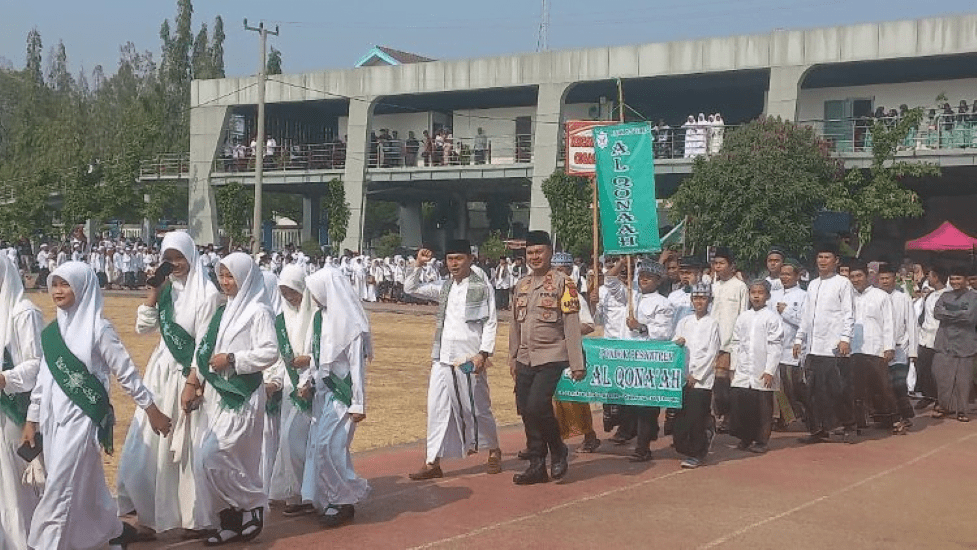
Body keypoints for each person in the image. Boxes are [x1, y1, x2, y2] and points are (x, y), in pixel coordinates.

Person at [23, 262, 172, 549]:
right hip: (53, 418)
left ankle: (41, 544)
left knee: (59, 488)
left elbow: (125, 371)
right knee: (82, 482)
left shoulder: (99, 328)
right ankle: (111, 531)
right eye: (55, 284)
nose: (58, 291)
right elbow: (44, 377)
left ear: (83, 287)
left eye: (65, 284)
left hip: (84, 418)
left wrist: (151, 409)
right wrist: (32, 419)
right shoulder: (54, 331)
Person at [116, 231, 223, 538]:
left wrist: (193, 381)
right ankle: (149, 518)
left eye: (179, 258)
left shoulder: (207, 295)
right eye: (169, 259)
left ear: (191, 256)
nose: (175, 264)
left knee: (184, 450)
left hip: (186, 377)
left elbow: (204, 343)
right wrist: (154, 290)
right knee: (145, 448)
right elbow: (143, 327)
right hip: (158, 375)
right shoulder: (165, 291)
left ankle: (194, 518)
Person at [182, 253, 279, 546]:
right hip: (215, 395)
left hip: (242, 394)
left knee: (216, 455)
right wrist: (192, 382)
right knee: (207, 460)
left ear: (245, 277)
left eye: (230, 276)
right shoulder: (223, 311)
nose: (225, 282)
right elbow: (204, 347)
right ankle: (230, 519)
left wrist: (235, 359)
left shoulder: (259, 311)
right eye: (221, 276)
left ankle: (252, 502)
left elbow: (269, 351)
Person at [405, 240, 502, 479]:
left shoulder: (482, 287)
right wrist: (418, 264)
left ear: (470, 258)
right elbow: (410, 288)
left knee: (477, 407)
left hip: (470, 356)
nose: (454, 263)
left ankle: (494, 449)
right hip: (442, 357)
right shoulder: (445, 287)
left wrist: (483, 353)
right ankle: (432, 462)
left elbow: (490, 321)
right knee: (436, 408)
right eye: (450, 259)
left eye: (459, 258)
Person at [509, 231, 584, 485]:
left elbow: (572, 324)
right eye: (530, 253)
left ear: (550, 252)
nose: (534, 257)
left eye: (539, 252)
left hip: (552, 354)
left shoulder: (564, 283)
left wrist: (577, 362)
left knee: (538, 406)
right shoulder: (522, 285)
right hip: (525, 356)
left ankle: (558, 449)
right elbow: (514, 325)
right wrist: (512, 358)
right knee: (526, 410)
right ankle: (537, 464)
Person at [300, 266, 371, 528]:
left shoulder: (351, 323)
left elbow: (357, 368)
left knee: (329, 447)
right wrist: (304, 380)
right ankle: (336, 498)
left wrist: (358, 403)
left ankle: (342, 497)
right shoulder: (319, 318)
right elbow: (314, 355)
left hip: (343, 396)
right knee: (322, 448)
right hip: (322, 394)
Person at [793, 242, 856, 444]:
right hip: (813, 347)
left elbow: (849, 314)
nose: (822, 261)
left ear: (836, 261)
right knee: (811, 391)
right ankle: (818, 429)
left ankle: (849, 426)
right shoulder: (812, 284)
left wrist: (845, 338)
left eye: (827, 257)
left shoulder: (842, 283)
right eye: (820, 257)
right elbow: (806, 315)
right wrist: (799, 339)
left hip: (833, 346)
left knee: (837, 389)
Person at [0, 255, 44, 550]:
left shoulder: (23, 312)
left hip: (15, 411)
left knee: (18, 484)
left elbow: (38, 365)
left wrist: (5, 379)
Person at [268, 264, 317, 517]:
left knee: (302, 441)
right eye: (284, 292)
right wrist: (274, 381)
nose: (290, 297)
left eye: (294, 291)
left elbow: (323, 352)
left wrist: (308, 362)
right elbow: (279, 358)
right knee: (288, 442)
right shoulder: (280, 320)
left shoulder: (316, 315)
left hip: (313, 388)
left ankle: (310, 492)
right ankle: (294, 492)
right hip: (290, 388)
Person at [622, 259, 675, 462]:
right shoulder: (632, 298)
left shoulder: (663, 303)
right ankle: (643, 436)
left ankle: (643, 447)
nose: (644, 280)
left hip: (649, 360)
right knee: (632, 404)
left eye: (649, 277)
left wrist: (641, 327)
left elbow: (664, 332)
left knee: (646, 404)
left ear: (658, 280)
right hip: (630, 358)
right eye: (641, 276)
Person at [551, 252, 601, 454]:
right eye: (554, 270)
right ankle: (555, 440)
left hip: (570, 354)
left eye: (561, 271)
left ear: (570, 272)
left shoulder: (574, 296)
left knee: (574, 398)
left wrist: (567, 330)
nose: (557, 275)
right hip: (550, 353)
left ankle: (589, 435)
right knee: (553, 400)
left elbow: (589, 325)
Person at [730, 279, 784, 454]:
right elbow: (736, 342)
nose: (756, 296)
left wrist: (769, 370)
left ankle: (762, 440)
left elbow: (775, 346)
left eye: (760, 293)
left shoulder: (772, 318)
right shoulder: (743, 317)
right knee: (745, 405)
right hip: (744, 370)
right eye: (753, 292)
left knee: (762, 407)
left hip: (763, 369)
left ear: (767, 296)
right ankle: (746, 438)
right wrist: (735, 366)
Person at [671, 282, 720, 469]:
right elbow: (674, 343)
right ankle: (698, 438)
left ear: (709, 301)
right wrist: (678, 342)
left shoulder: (712, 323)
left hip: (702, 380)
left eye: (703, 298)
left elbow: (711, 353)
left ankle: (698, 452)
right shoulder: (684, 322)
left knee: (695, 418)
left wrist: (697, 375)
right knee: (681, 419)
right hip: (683, 377)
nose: (699, 302)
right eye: (696, 298)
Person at [848, 260, 899, 432]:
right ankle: (862, 422)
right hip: (855, 349)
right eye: (852, 277)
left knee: (882, 386)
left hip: (876, 348)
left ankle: (894, 420)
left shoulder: (880, 296)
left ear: (868, 276)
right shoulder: (849, 297)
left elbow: (889, 323)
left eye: (859, 276)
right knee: (858, 388)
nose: (856, 280)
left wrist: (889, 347)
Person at [931, 266, 977, 422]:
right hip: (945, 342)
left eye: (958, 279)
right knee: (942, 377)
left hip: (966, 343)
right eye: (952, 279)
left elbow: (969, 317)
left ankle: (962, 410)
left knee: (963, 380)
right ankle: (944, 406)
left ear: (965, 280)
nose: (955, 282)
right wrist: (958, 313)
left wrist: (948, 314)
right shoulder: (945, 295)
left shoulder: (973, 297)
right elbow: (937, 312)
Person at [710, 247, 748, 434]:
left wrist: (739, 343)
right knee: (715, 384)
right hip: (713, 343)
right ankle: (720, 416)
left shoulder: (740, 287)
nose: (718, 267)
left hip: (731, 344)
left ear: (732, 266)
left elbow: (743, 316)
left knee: (728, 384)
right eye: (716, 264)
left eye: (722, 263)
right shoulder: (712, 286)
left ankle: (730, 418)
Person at [877, 262, 917, 432]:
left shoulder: (903, 298)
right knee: (883, 385)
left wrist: (913, 350)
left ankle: (905, 417)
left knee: (898, 384)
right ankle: (888, 417)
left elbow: (912, 325)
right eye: (882, 278)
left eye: (888, 278)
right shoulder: (875, 298)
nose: (885, 281)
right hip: (878, 350)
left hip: (900, 349)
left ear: (895, 278)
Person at [773, 259, 809, 424]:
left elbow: (805, 321)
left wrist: (786, 311)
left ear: (797, 276)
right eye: (782, 274)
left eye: (788, 274)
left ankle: (805, 412)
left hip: (793, 346)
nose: (784, 277)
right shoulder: (774, 295)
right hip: (776, 345)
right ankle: (785, 418)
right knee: (778, 385)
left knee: (794, 384)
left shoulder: (803, 296)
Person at [915, 266, 947, 410]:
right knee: (923, 368)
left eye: (930, 276)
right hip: (925, 337)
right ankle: (928, 395)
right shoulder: (930, 295)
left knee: (938, 371)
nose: (928, 279)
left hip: (939, 337)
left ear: (936, 277)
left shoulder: (947, 295)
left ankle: (941, 399)